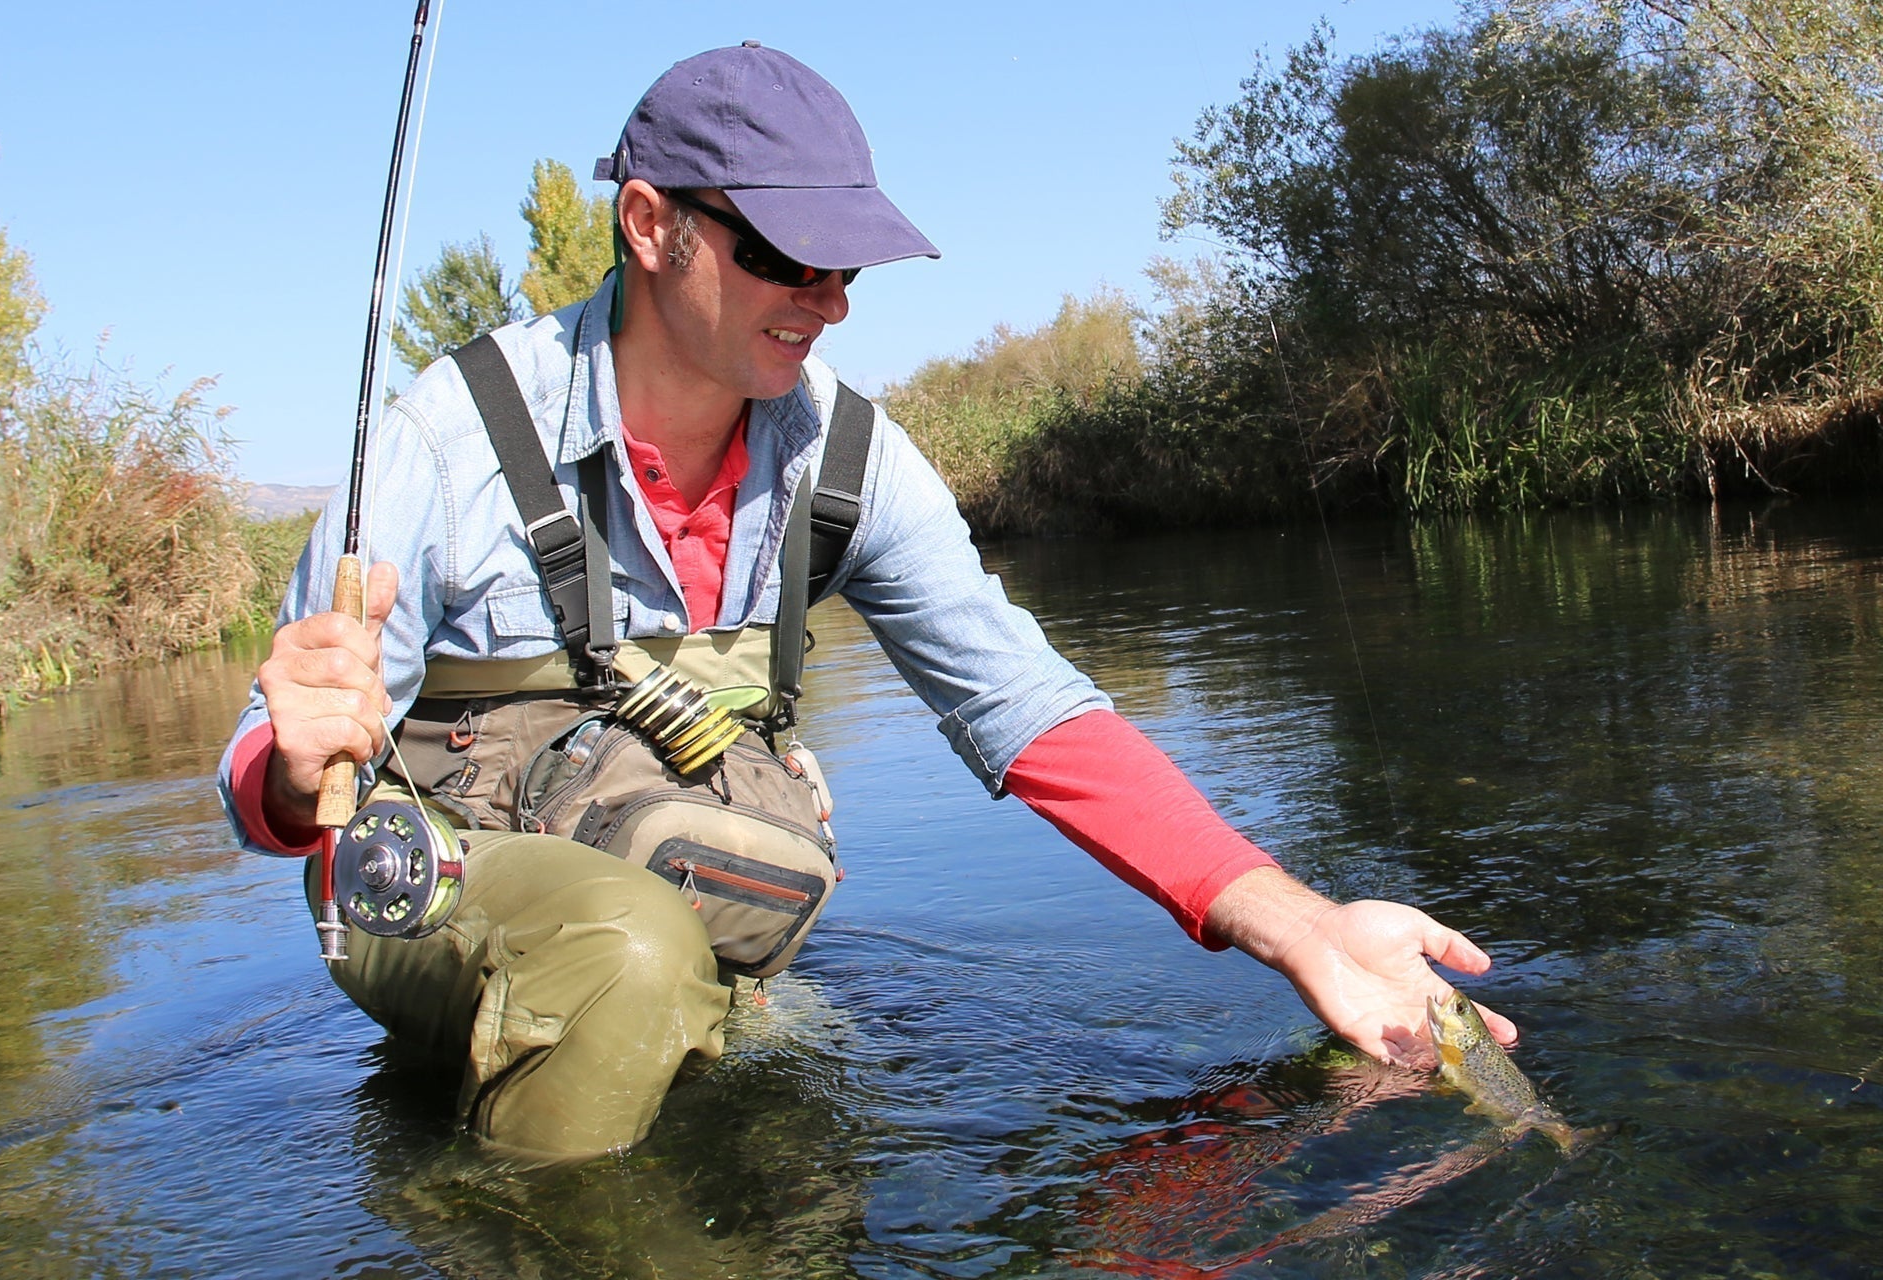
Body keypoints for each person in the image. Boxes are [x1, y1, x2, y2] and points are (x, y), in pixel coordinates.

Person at [217, 41, 1515, 1160]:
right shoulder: (441, 446)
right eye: (790, 256)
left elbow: (1026, 706)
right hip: (419, 889)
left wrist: (1298, 925)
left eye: (852, 268)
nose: (829, 303)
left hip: (658, 873)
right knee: (628, 955)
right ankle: (498, 1214)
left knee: (799, 1087)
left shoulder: (848, 458)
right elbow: (275, 783)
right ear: (652, 224)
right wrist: (290, 767)